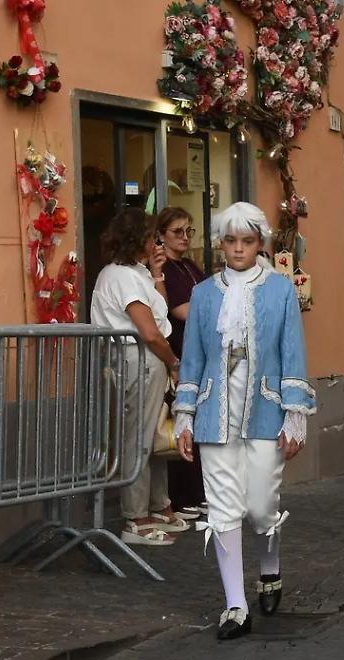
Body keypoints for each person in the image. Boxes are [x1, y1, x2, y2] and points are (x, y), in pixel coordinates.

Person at [173, 202, 315, 640]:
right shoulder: (203, 294)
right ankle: (235, 604)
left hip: (266, 413)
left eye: (248, 241)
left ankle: (270, 567)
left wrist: (295, 416)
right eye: (231, 240)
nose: (238, 249)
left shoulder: (280, 289)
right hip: (216, 415)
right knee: (223, 510)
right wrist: (184, 416)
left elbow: (292, 351)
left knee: (260, 507)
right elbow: (192, 358)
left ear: (260, 243)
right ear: (220, 243)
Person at [90, 209, 188, 546]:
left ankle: (159, 506)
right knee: (140, 438)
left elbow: (159, 310)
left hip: (149, 360)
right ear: (139, 239)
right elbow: (149, 330)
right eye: (153, 237)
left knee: (154, 435)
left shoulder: (137, 273)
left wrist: (158, 273)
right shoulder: (121, 276)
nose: (157, 242)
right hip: (139, 360)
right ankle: (136, 518)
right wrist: (173, 359)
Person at [156, 207, 208, 521]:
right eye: (178, 231)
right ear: (161, 235)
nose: (185, 237)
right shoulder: (165, 270)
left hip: (198, 351)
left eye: (189, 231)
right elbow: (179, 310)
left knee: (197, 423)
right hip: (178, 350)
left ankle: (197, 492)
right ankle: (181, 496)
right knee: (180, 423)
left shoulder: (189, 265)